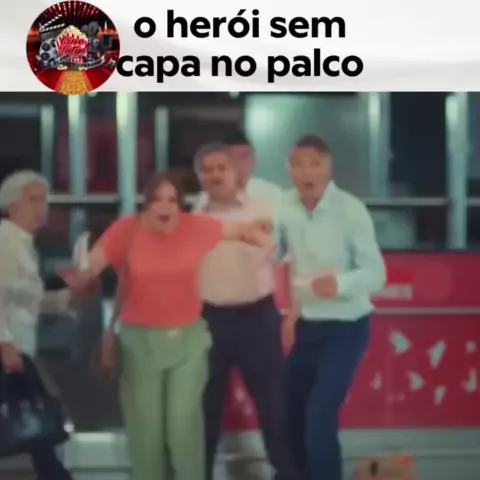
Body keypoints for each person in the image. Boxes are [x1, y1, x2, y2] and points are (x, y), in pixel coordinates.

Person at [72, 172, 275, 480]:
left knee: (183, 429)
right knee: (147, 435)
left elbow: (238, 231)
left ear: (180, 205)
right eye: (157, 199)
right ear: (146, 203)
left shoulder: (195, 227)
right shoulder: (126, 229)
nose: (165, 206)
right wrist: (83, 274)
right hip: (139, 345)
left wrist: (260, 235)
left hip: (188, 343)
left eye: (172, 200)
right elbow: (92, 264)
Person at [279, 135, 386, 480]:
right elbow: (273, 251)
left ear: (328, 167)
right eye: (298, 165)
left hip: (346, 328)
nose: (306, 172)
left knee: (319, 416)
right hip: (307, 327)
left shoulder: (350, 210)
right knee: (290, 415)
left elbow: (376, 273)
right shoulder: (284, 205)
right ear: (289, 170)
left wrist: (338, 285)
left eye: (315, 164)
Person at [193, 143, 297, 480]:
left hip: (257, 319)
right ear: (199, 176)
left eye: (221, 168)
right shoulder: (194, 215)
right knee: (205, 413)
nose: (215, 175)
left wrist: (292, 312)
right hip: (209, 322)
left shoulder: (265, 208)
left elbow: (291, 259)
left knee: (275, 409)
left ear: (234, 171)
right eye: (207, 169)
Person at [0, 170, 85, 480]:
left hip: (20, 345)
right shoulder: (6, 241)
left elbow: (27, 299)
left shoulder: (23, 243)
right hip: (10, 347)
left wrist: (69, 296)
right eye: (33, 200)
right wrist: (4, 342)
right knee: (37, 419)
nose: (42, 208)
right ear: (12, 205)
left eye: (44, 200)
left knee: (36, 421)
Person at [195, 131, 284, 212]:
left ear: (253, 160)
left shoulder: (272, 193)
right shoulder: (204, 199)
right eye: (234, 158)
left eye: (243, 157)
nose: (239, 164)